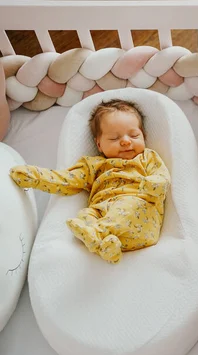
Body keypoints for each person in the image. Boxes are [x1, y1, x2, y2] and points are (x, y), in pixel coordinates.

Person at [9, 99, 170, 263]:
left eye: (134, 135)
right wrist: (33, 176)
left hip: (141, 217)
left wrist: (154, 183)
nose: (126, 141)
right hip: (105, 213)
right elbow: (66, 180)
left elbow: (162, 177)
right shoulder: (93, 166)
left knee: (126, 207)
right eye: (114, 138)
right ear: (99, 144)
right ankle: (106, 247)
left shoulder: (147, 157)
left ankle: (97, 233)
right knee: (86, 214)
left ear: (144, 136)